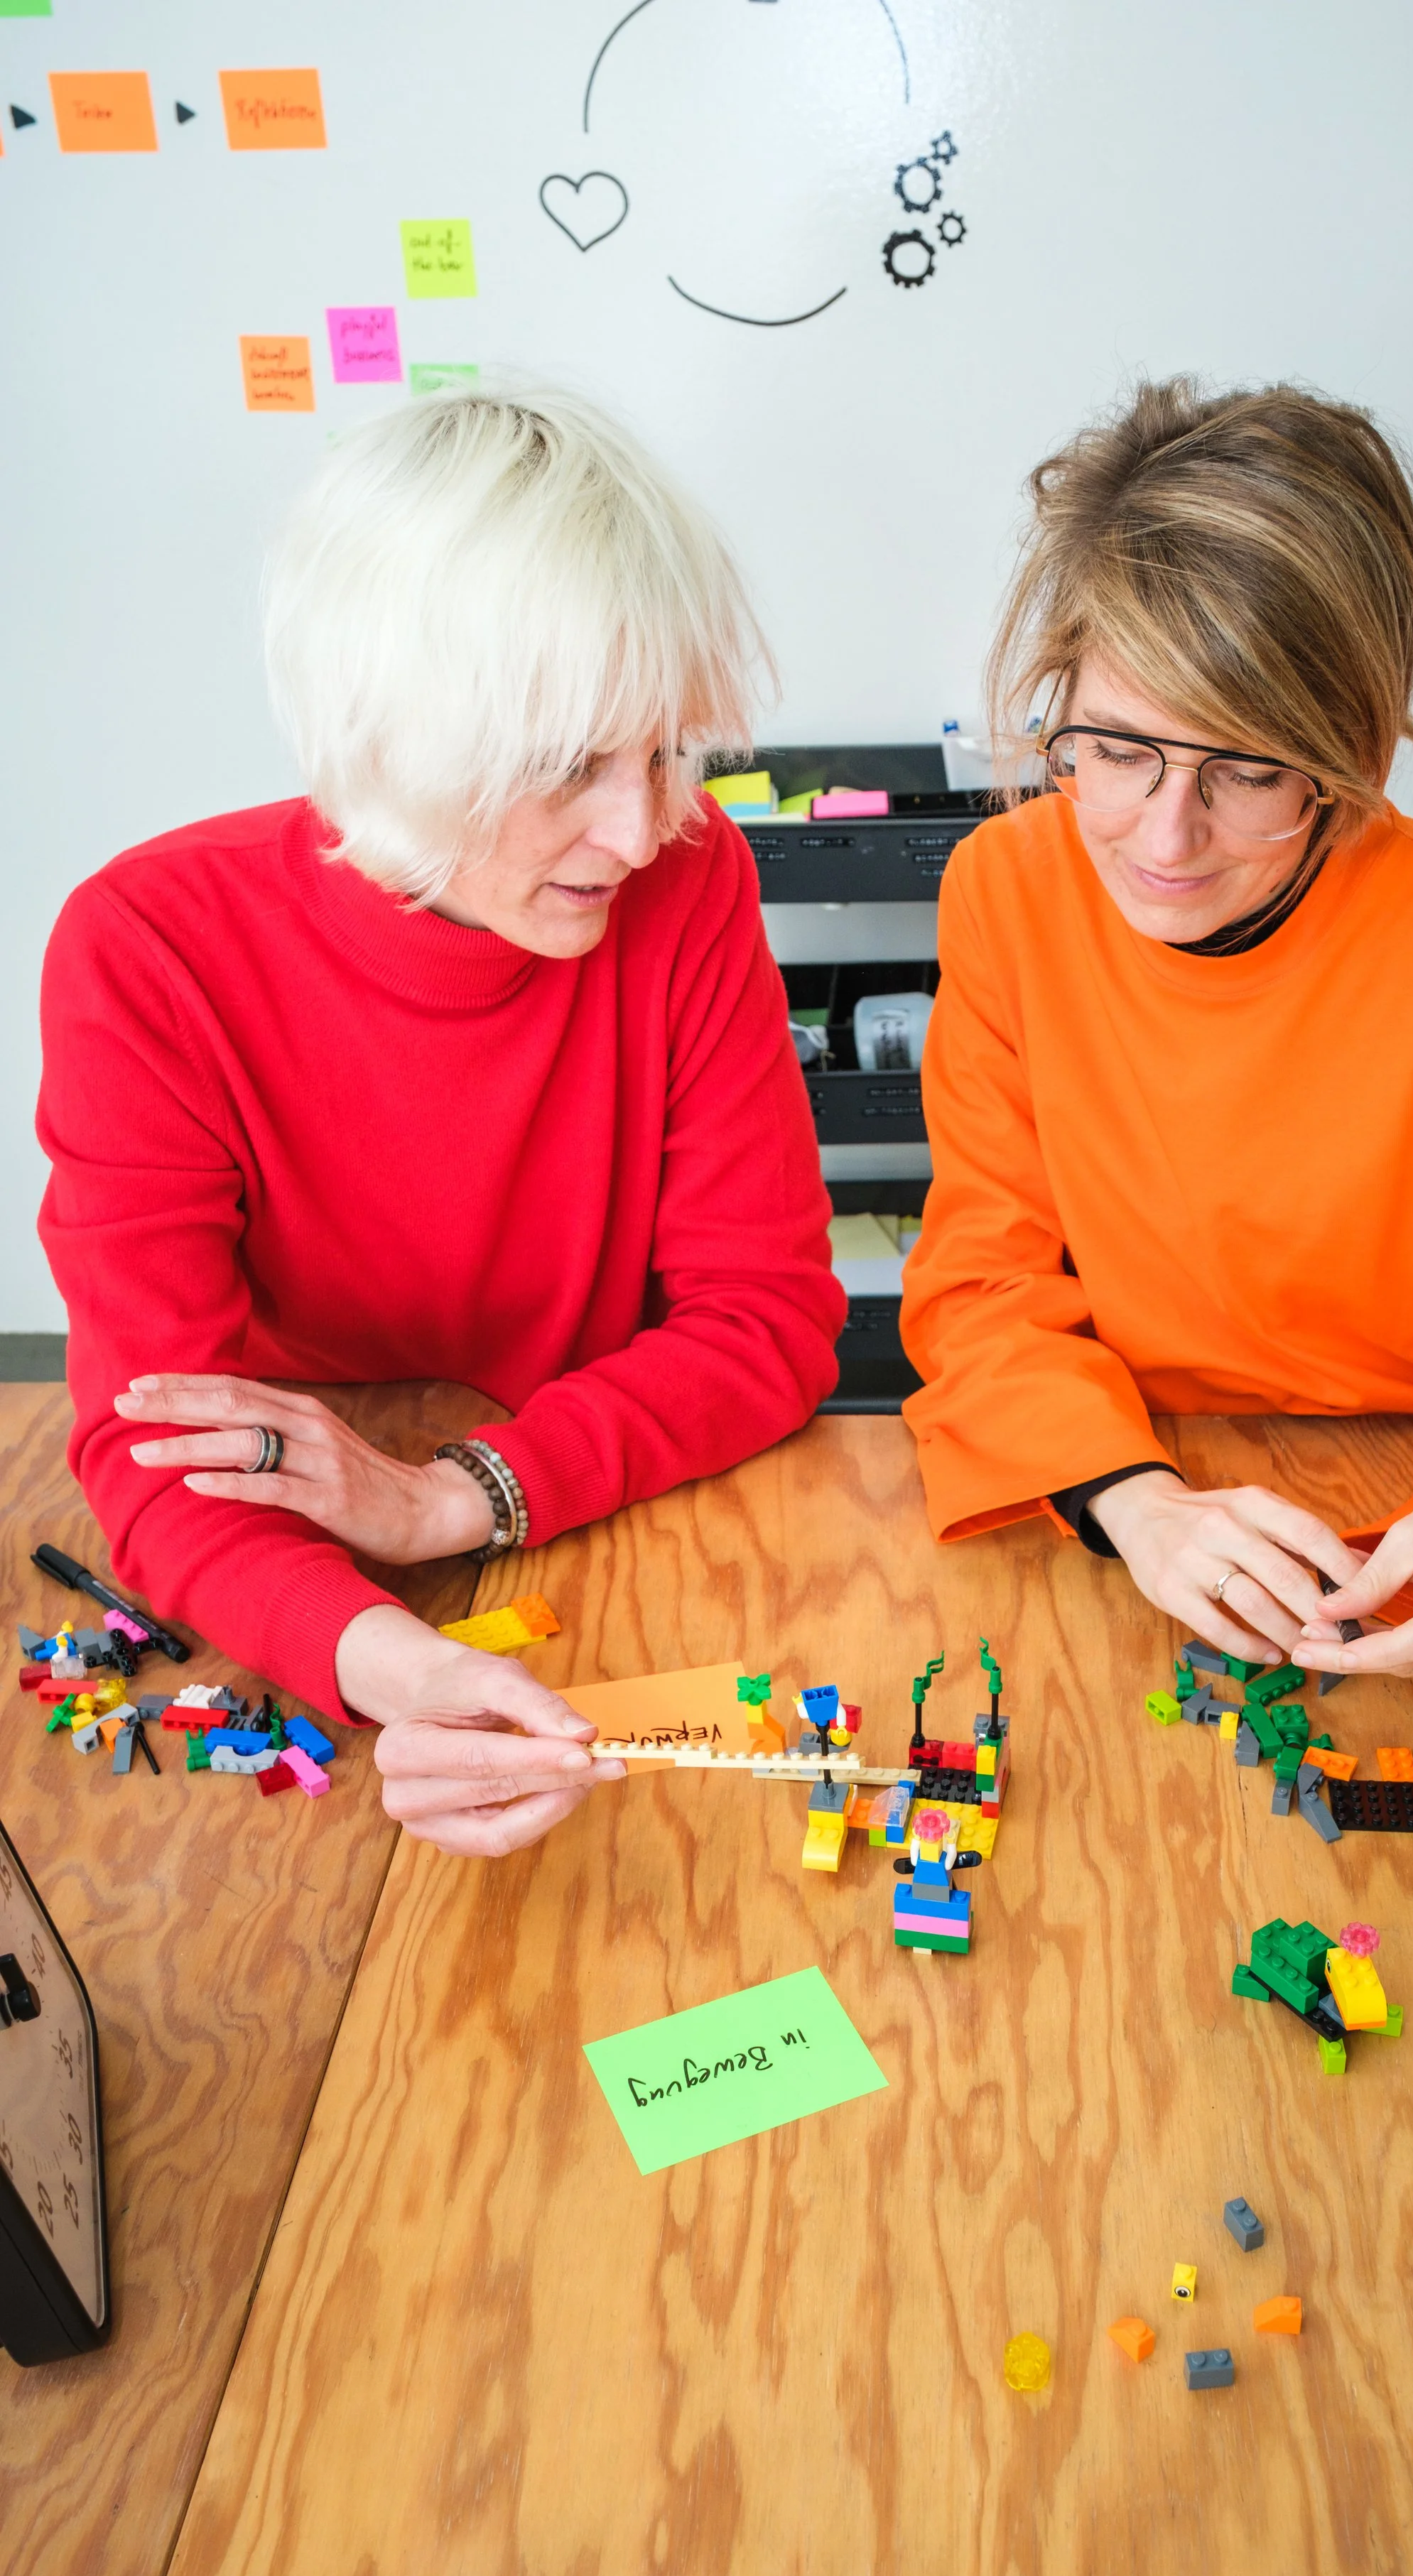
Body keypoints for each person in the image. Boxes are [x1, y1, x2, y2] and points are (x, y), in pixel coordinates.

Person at [38, 384, 844, 1852]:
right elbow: (155, 1443)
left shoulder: (689, 869)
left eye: (669, 749)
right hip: (293, 1551)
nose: (642, 825)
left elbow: (770, 1323)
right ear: (388, 742)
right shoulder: (144, 941)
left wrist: (451, 1503)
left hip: (594, 1500)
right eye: (566, 766)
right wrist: (395, 1665)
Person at [902, 378, 1413, 1678]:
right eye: (1117, 751)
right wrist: (1133, 1500)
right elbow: (984, 1286)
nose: (1164, 839)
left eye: (1247, 771)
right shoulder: (1005, 892)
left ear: (1362, 748)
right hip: (1134, 1510)